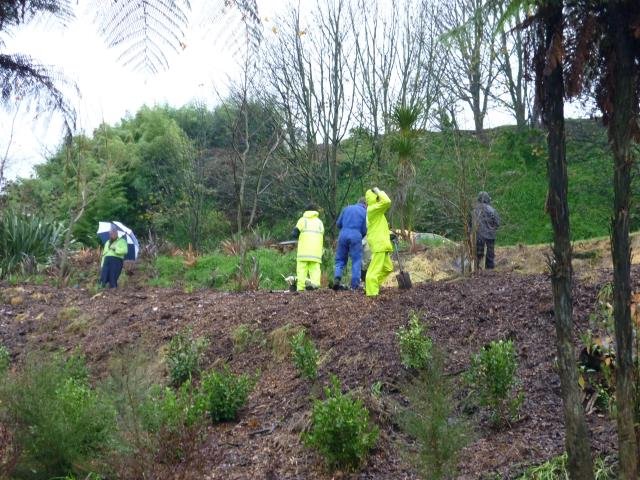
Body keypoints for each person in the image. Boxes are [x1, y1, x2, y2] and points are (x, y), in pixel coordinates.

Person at [364, 187, 393, 297]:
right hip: (379, 244)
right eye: (377, 197)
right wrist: (379, 191)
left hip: (382, 243)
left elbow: (379, 227)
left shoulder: (376, 211)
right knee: (373, 272)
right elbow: (387, 201)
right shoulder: (372, 209)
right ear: (375, 198)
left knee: (388, 268)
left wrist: (390, 234)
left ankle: (371, 285)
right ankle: (372, 293)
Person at [333, 198, 367, 290]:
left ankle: (337, 278)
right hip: (356, 235)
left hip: (343, 234)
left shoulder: (346, 208)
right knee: (356, 260)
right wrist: (360, 235)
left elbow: (338, 224)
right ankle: (355, 285)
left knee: (340, 259)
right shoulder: (365, 212)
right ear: (365, 205)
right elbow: (364, 230)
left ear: (358, 202)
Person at [292, 203, 324, 291]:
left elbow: (294, 233)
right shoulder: (320, 222)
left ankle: (301, 289)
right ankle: (315, 287)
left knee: (301, 270)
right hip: (316, 253)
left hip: (303, 253)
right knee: (315, 271)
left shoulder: (302, 220)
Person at [473, 191, 501, 269]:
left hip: (478, 237)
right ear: (487, 199)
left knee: (477, 256)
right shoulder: (492, 210)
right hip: (490, 237)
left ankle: (477, 273)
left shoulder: (474, 210)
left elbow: (470, 224)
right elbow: (497, 222)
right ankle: (490, 274)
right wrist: (492, 229)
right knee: (490, 257)